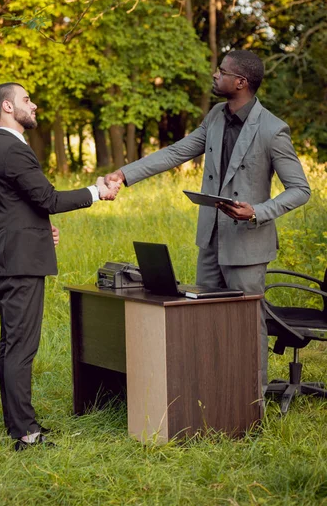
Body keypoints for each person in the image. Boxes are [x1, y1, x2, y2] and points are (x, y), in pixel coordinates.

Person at [104, 50, 311, 388]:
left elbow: (300, 189)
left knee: (246, 325)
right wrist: (125, 175)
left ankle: (251, 400)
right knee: (206, 320)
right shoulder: (215, 115)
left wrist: (258, 211)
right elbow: (176, 152)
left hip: (247, 245)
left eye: (222, 71)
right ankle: (214, 394)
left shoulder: (273, 130)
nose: (215, 75)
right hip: (211, 240)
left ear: (240, 82)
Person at [0, 82, 120, 451]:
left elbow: (15, 206)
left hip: (15, 255)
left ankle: (19, 425)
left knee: (13, 345)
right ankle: (26, 433)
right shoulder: (12, 150)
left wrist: (41, 230)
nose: (35, 104)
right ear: (8, 107)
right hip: (18, 263)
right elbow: (47, 197)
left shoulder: (2, 148)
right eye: (27, 100)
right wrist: (97, 192)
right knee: (21, 347)